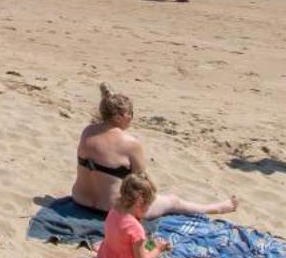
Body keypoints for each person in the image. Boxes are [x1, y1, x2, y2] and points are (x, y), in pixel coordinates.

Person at [72, 85, 237, 217]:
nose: (132, 118)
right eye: (131, 114)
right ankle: (217, 208)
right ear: (119, 117)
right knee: (173, 201)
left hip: (80, 199)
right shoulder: (130, 144)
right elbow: (142, 184)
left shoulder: (87, 131)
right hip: (111, 209)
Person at [96, 174, 199, 258]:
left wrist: (152, 245)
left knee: (151, 243)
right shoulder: (135, 229)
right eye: (148, 206)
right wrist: (159, 249)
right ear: (139, 203)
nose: (148, 210)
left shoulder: (114, 211)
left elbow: (128, 243)